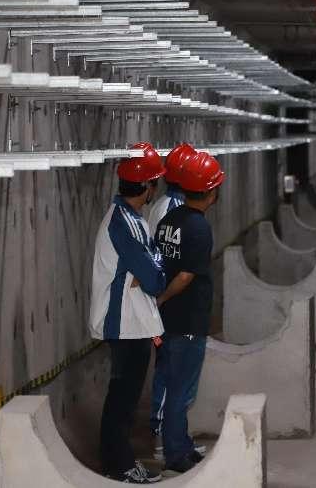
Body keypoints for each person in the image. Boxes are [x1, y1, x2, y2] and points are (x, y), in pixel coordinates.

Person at [89, 143, 168, 484]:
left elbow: (151, 265)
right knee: (123, 399)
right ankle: (119, 466)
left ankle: (116, 462)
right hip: (125, 324)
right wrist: (151, 269)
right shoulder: (125, 224)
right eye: (155, 182)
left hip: (131, 323)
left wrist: (149, 267)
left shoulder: (128, 219)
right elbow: (156, 278)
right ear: (147, 186)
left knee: (123, 397)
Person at [154, 151, 225, 474]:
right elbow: (185, 276)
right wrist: (163, 298)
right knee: (181, 391)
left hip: (169, 320)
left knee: (175, 385)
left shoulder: (169, 221)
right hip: (188, 320)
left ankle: (181, 444)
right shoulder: (199, 228)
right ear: (211, 192)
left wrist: (160, 302)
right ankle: (175, 454)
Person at [145, 142, 204, 460]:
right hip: (170, 305)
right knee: (171, 374)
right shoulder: (172, 209)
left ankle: (175, 438)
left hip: (169, 302)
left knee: (173, 374)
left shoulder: (170, 205)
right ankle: (162, 439)